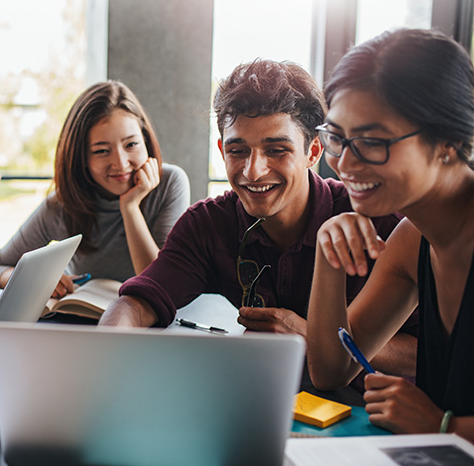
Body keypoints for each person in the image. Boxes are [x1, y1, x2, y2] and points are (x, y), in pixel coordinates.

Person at [100, 59, 417, 377]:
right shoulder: (207, 224)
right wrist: (104, 357)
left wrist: (309, 336)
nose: (253, 171)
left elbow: (429, 356)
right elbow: (136, 304)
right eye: (238, 151)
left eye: (277, 150)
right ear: (223, 150)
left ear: (313, 151)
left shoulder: (380, 222)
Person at [306, 29, 474, 442]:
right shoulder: (412, 240)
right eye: (337, 138)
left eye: (370, 142)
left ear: (449, 142)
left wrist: (442, 427)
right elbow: (330, 371)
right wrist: (328, 256)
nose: (344, 163)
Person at [0, 81, 190, 297]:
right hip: (82, 322)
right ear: (81, 158)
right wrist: (35, 281)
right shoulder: (62, 205)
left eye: (131, 145)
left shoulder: (170, 183)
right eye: (101, 151)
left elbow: (159, 283)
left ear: (145, 141)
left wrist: (130, 206)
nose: (120, 163)